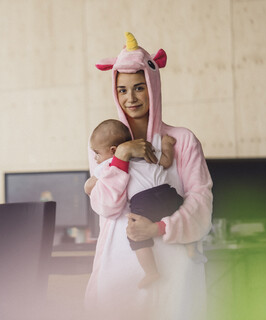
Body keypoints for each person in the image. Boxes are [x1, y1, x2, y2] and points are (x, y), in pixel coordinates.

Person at [85, 32, 213, 320]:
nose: (131, 98)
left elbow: (201, 203)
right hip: (120, 268)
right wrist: (122, 156)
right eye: (122, 90)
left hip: (175, 266)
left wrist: (159, 228)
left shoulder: (182, 140)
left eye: (139, 87)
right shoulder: (103, 145)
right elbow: (106, 207)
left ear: (153, 87)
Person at [85, 119, 190, 289]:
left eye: (96, 153)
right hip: (168, 193)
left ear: (113, 150)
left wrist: (89, 184)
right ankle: (191, 245)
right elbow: (165, 162)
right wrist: (166, 146)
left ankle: (151, 272)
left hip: (144, 200)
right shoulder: (143, 154)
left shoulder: (109, 164)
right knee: (183, 215)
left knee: (136, 235)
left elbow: (90, 186)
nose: (95, 158)